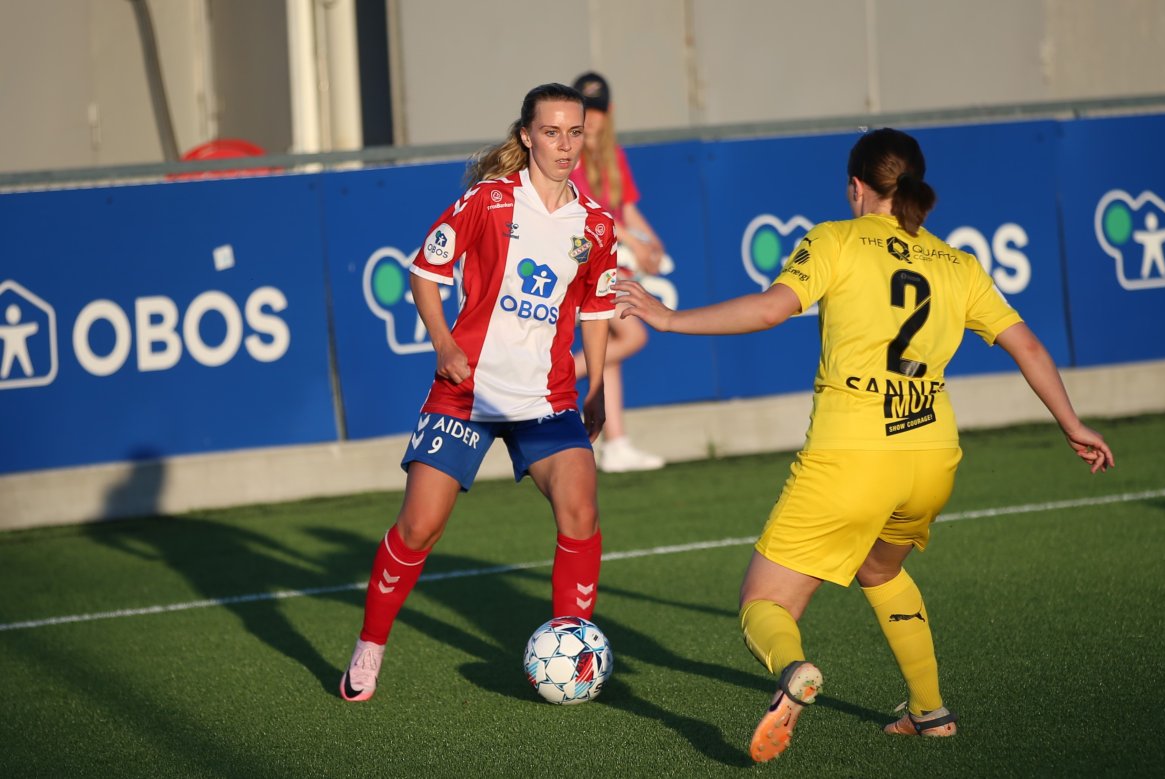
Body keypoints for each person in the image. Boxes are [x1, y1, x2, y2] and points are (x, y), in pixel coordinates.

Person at [614, 128, 1114, 762]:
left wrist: (667, 318)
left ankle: (793, 671)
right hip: (931, 459)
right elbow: (1029, 345)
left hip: (851, 457)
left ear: (856, 187)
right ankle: (930, 712)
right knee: (881, 569)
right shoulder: (958, 263)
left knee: (763, 603)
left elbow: (770, 310)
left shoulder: (835, 240)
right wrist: (1072, 423)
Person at [339, 83, 618, 702]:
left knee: (581, 510)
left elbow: (597, 309)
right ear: (526, 136)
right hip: (466, 392)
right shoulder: (489, 200)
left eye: (574, 132)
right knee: (419, 527)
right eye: (551, 132)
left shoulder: (596, 225)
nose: (565, 145)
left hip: (546, 399)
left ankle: (572, 652)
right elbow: (425, 271)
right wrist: (443, 344)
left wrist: (596, 385)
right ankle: (370, 643)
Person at [569, 71, 668, 473]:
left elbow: (624, 207)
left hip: (606, 263)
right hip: (583, 264)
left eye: (596, 111)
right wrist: (634, 241)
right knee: (633, 335)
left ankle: (615, 442)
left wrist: (652, 242)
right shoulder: (570, 154)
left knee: (609, 351)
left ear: (608, 112)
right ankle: (552, 378)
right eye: (584, 111)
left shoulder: (614, 155)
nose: (591, 119)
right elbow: (587, 211)